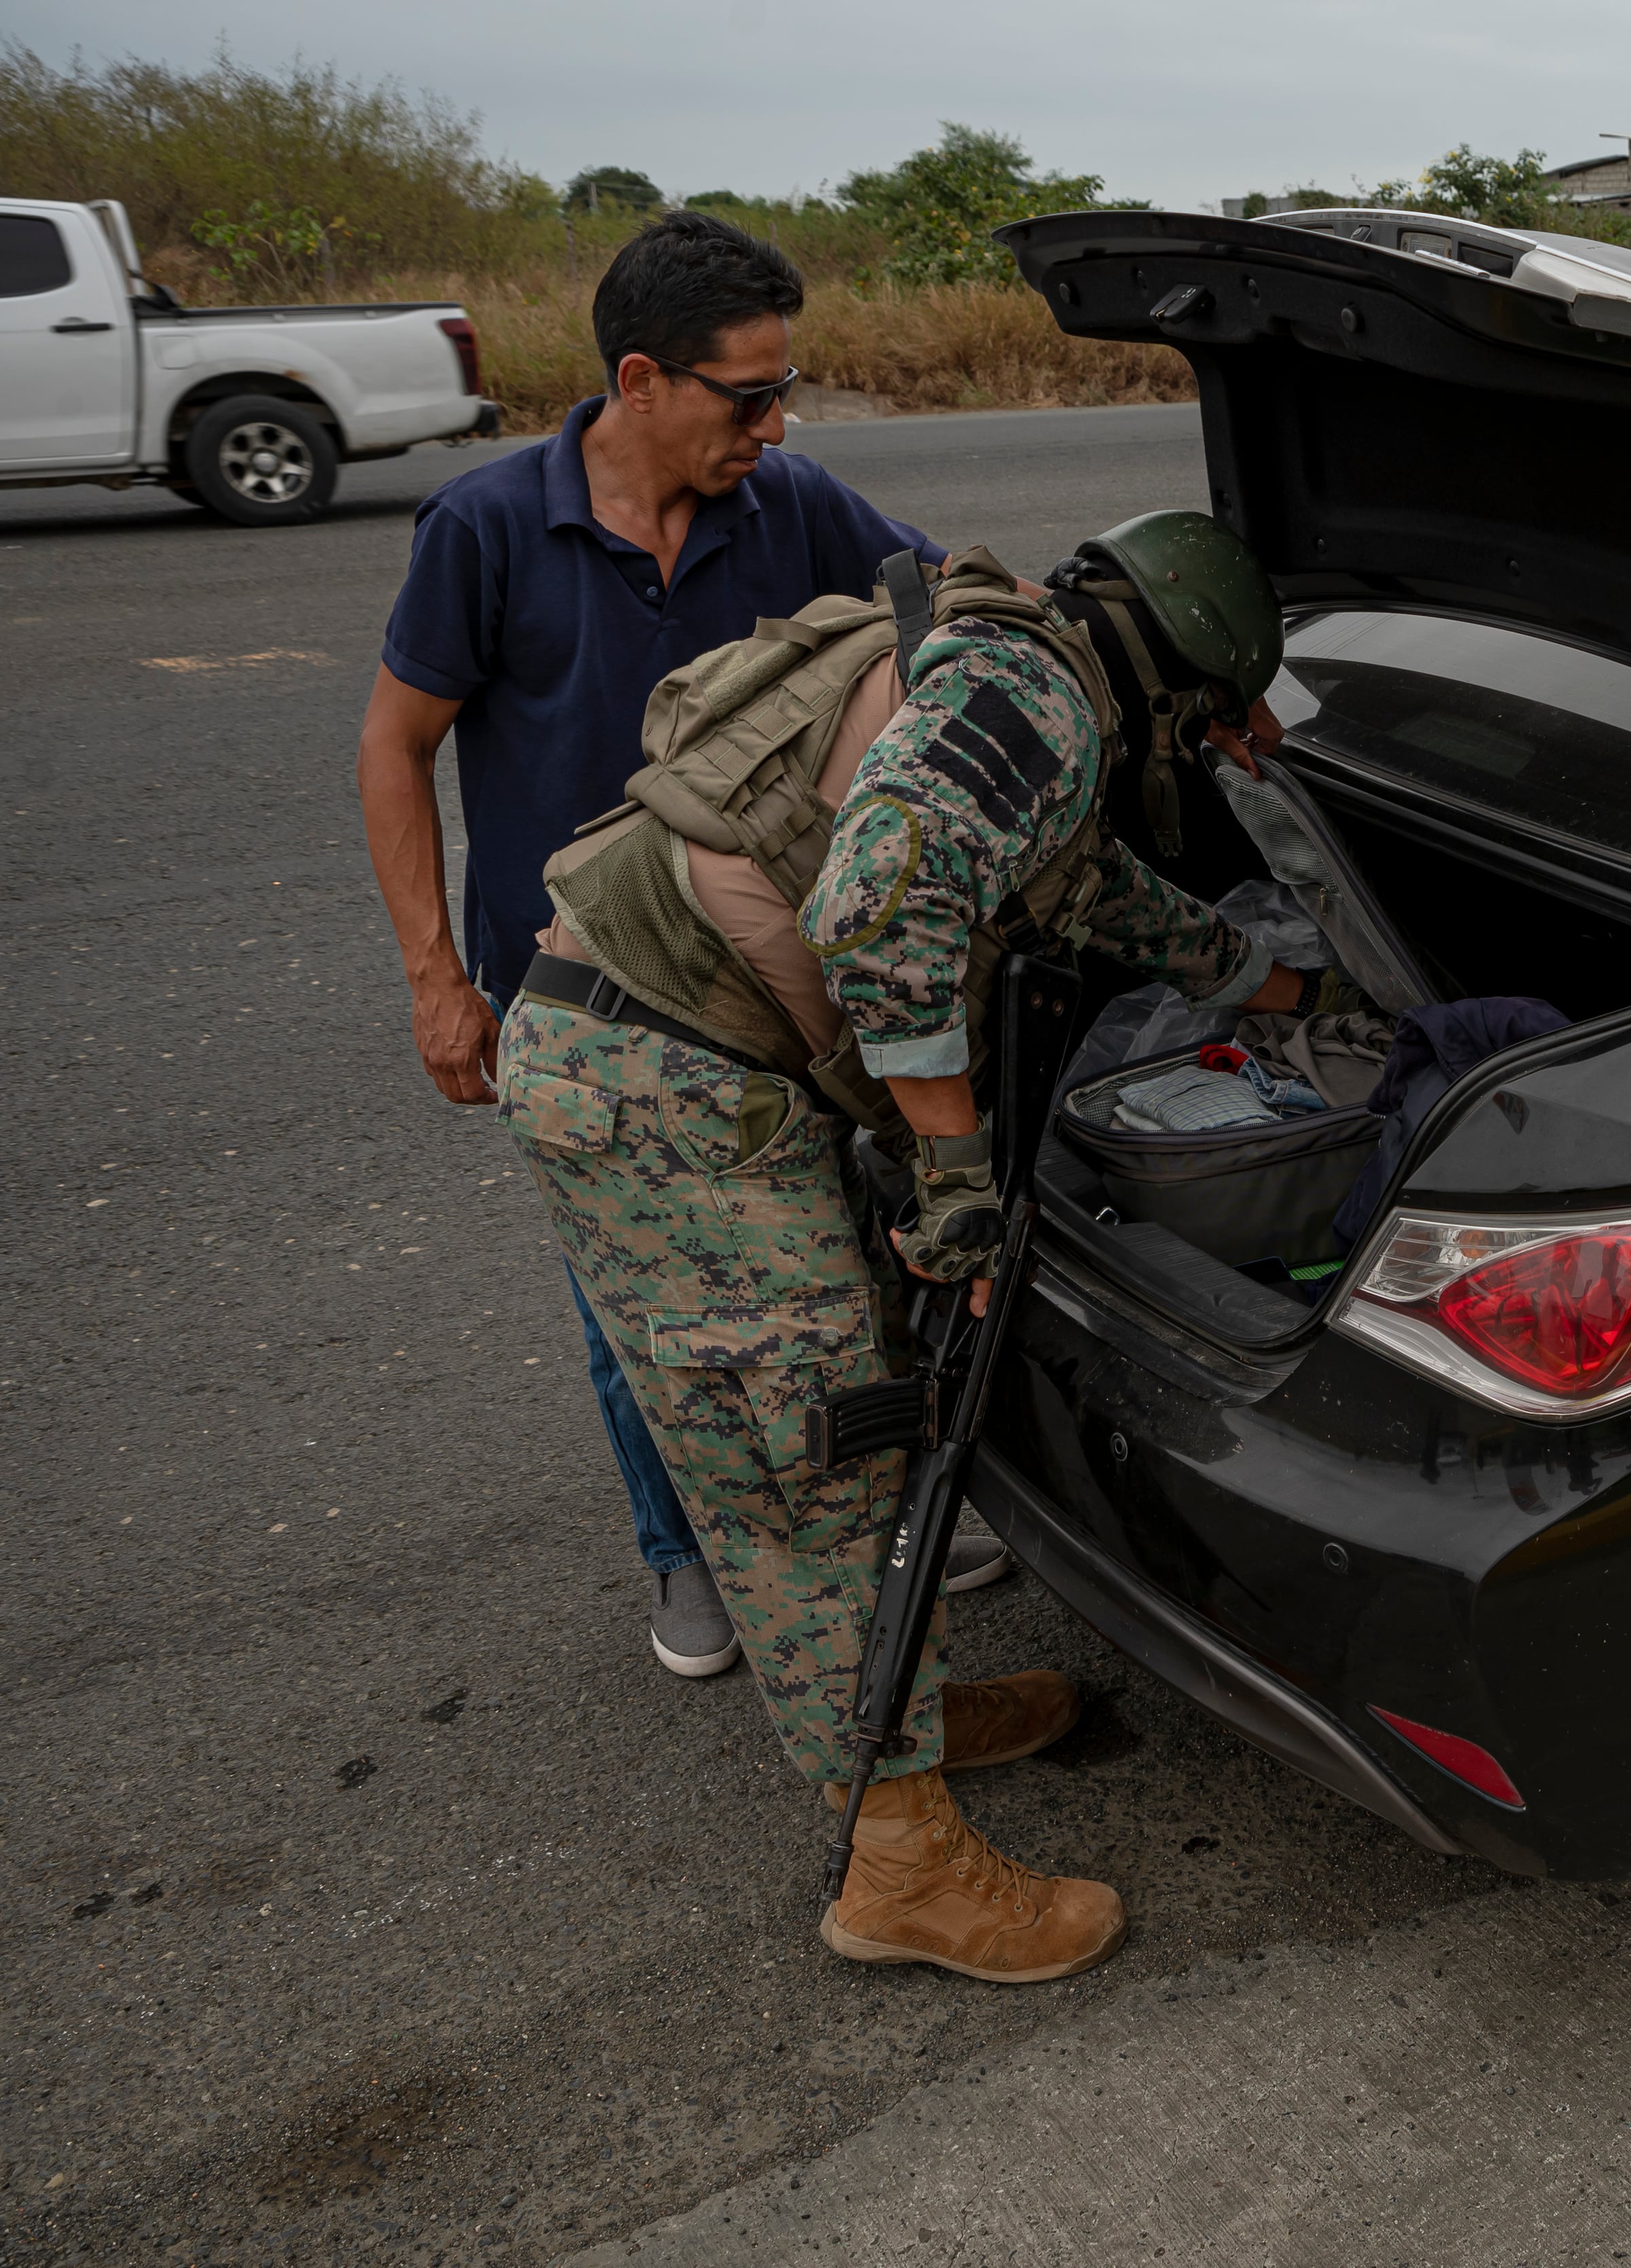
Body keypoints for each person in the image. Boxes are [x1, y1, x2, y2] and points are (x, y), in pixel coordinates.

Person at [499, 509, 1308, 1982]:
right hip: (662, 1089)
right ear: (1178, 676)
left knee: (870, 1414)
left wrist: (1265, 978)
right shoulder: (1041, 701)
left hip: (669, 1061)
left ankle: (908, 1712)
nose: (1210, 747)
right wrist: (955, 1179)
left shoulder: (1008, 660)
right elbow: (877, 915)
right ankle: (902, 1866)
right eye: (1213, 720)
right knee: (814, 1457)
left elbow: (1068, 886)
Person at [358, 208, 1006, 1684]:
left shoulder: (794, 504)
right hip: (588, 1005)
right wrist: (434, 983)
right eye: (748, 396)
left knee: (835, 1266)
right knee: (635, 1308)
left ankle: (878, 1510)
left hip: (775, 995)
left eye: (787, 392)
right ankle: (686, 1554)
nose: (774, 427)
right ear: (640, 379)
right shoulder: (487, 528)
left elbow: (952, 606)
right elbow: (392, 752)